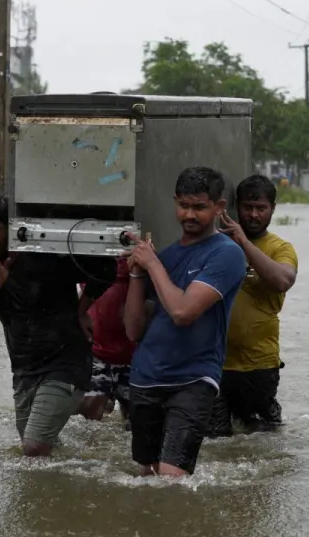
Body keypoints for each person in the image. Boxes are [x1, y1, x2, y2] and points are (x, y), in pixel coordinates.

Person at [0, 194, 110, 457]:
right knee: (42, 451)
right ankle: (83, 407)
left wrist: (82, 309)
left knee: (34, 447)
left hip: (65, 360)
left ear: (11, 228)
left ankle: (78, 400)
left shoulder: (43, 253)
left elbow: (105, 267)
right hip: (24, 368)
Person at [122, 166, 248, 478]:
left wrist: (152, 265)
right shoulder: (165, 257)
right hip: (145, 378)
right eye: (183, 205)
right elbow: (133, 330)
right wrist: (137, 274)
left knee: (171, 479)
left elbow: (183, 312)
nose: (189, 215)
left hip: (193, 378)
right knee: (146, 475)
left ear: (219, 207)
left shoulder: (227, 254)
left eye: (199, 207)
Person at [208, 174, 298, 436]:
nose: (254, 215)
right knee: (215, 440)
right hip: (214, 364)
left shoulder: (280, 248)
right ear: (236, 207)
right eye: (248, 207)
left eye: (261, 208)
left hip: (259, 366)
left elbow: (283, 280)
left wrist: (244, 243)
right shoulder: (217, 245)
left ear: (273, 209)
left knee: (262, 438)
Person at [81, 257, 138, 429]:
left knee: (135, 423)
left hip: (135, 358)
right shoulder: (92, 263)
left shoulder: (145, 268)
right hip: (97, 355)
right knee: (90, 419)